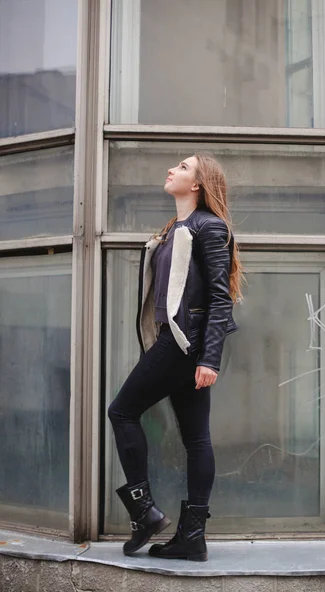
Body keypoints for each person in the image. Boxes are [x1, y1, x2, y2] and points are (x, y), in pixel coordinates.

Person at [108, 153, 243, 562]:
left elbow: (221, 299)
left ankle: (144, 513)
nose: (171, 169)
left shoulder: (209, 226)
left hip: (184, 345)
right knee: (196, 438)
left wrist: (209, 359)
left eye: (182, 167)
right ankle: (191, 539)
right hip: (181, 344)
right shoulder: (174, 229)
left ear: (199, 183)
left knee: (122, 412)